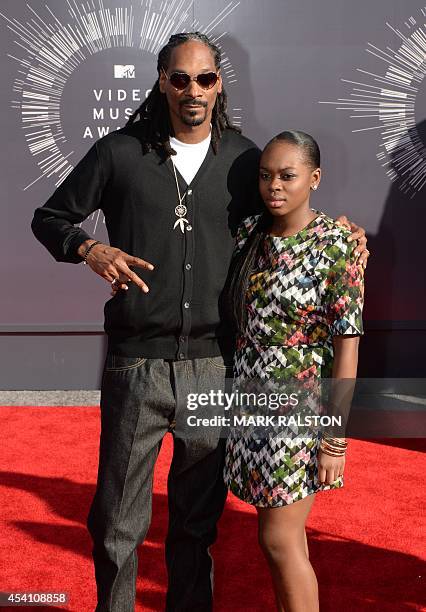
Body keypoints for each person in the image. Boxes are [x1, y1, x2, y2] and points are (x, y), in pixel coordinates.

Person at [31, 32, 368, 612]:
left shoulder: (243, 161)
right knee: (116, 526)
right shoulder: (118, 153)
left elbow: (286, 217)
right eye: (180, 78)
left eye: (205, 78)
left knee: (195, 526)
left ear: (219, 85)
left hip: (216, 369)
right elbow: (49, 217)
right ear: (162, 81)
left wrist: (339, 234)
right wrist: (90, 250)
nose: (193, 90)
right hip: (136, 365)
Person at [224, 130, 364, 612]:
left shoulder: (338, 245)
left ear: (315, 179)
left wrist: (333, 439)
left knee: (278, 540)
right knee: (285, 542)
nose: (274, 186)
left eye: (288, 175)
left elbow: (347, 352)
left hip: (300, 416)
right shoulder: (250, 235)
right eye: (266, 176)